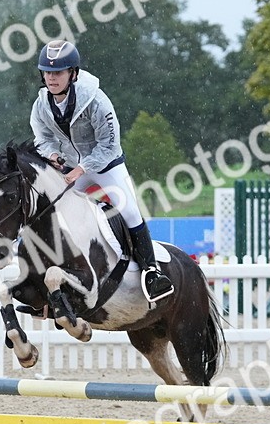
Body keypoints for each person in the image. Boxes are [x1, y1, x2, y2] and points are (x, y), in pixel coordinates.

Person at [29, 39, 174, 302]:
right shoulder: (41, 104)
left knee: (129, 211)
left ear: (72, 73)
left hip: (107, 166)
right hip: (72, 166)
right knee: (52, 209)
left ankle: (152, 274)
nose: (51, 78)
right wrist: (53, 155)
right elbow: (42, 138)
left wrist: (80, 170)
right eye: (47, 72)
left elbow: (109, 145)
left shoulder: (95, 100)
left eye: (58, 72)